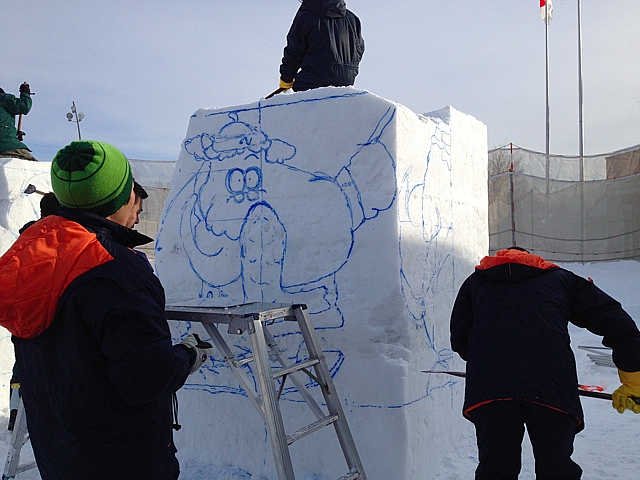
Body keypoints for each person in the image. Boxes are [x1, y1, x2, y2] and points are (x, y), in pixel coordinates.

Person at [0, 140, 213, 480]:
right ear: (119, 197)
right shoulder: (116, 271)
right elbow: (145, 378)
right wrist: (188, 355)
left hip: (60, 451)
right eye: (133, 192)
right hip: (123, 458)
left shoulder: (33, 256)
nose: (140, 207)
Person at [450, 247, 640, 480]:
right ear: (535, 260)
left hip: (491, 389)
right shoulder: (561, 280)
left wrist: (495, 362)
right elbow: (617, 322)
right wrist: (633, 378)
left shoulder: (475, 283)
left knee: (496, 470)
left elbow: (460, 339)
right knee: (556, 468)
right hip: (551, 386)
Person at [8, 192, 62, 431]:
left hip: (24, 314)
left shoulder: (25, 238)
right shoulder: (58, 237)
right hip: (49, 315)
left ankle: (15, 413)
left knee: (21, 368)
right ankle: (47, 417)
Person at [277, 0, 365, 93]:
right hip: (346, 82)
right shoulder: (353, 19)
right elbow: (359, 49)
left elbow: (294, 51)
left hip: (312, 81)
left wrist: (286, 80)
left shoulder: (306, 15)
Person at [0, 82, 37, 161]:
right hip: (5, 144)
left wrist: (15, 135)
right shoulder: (3, 98)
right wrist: (25, 94)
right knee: (34, 166)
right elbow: (24, 106)